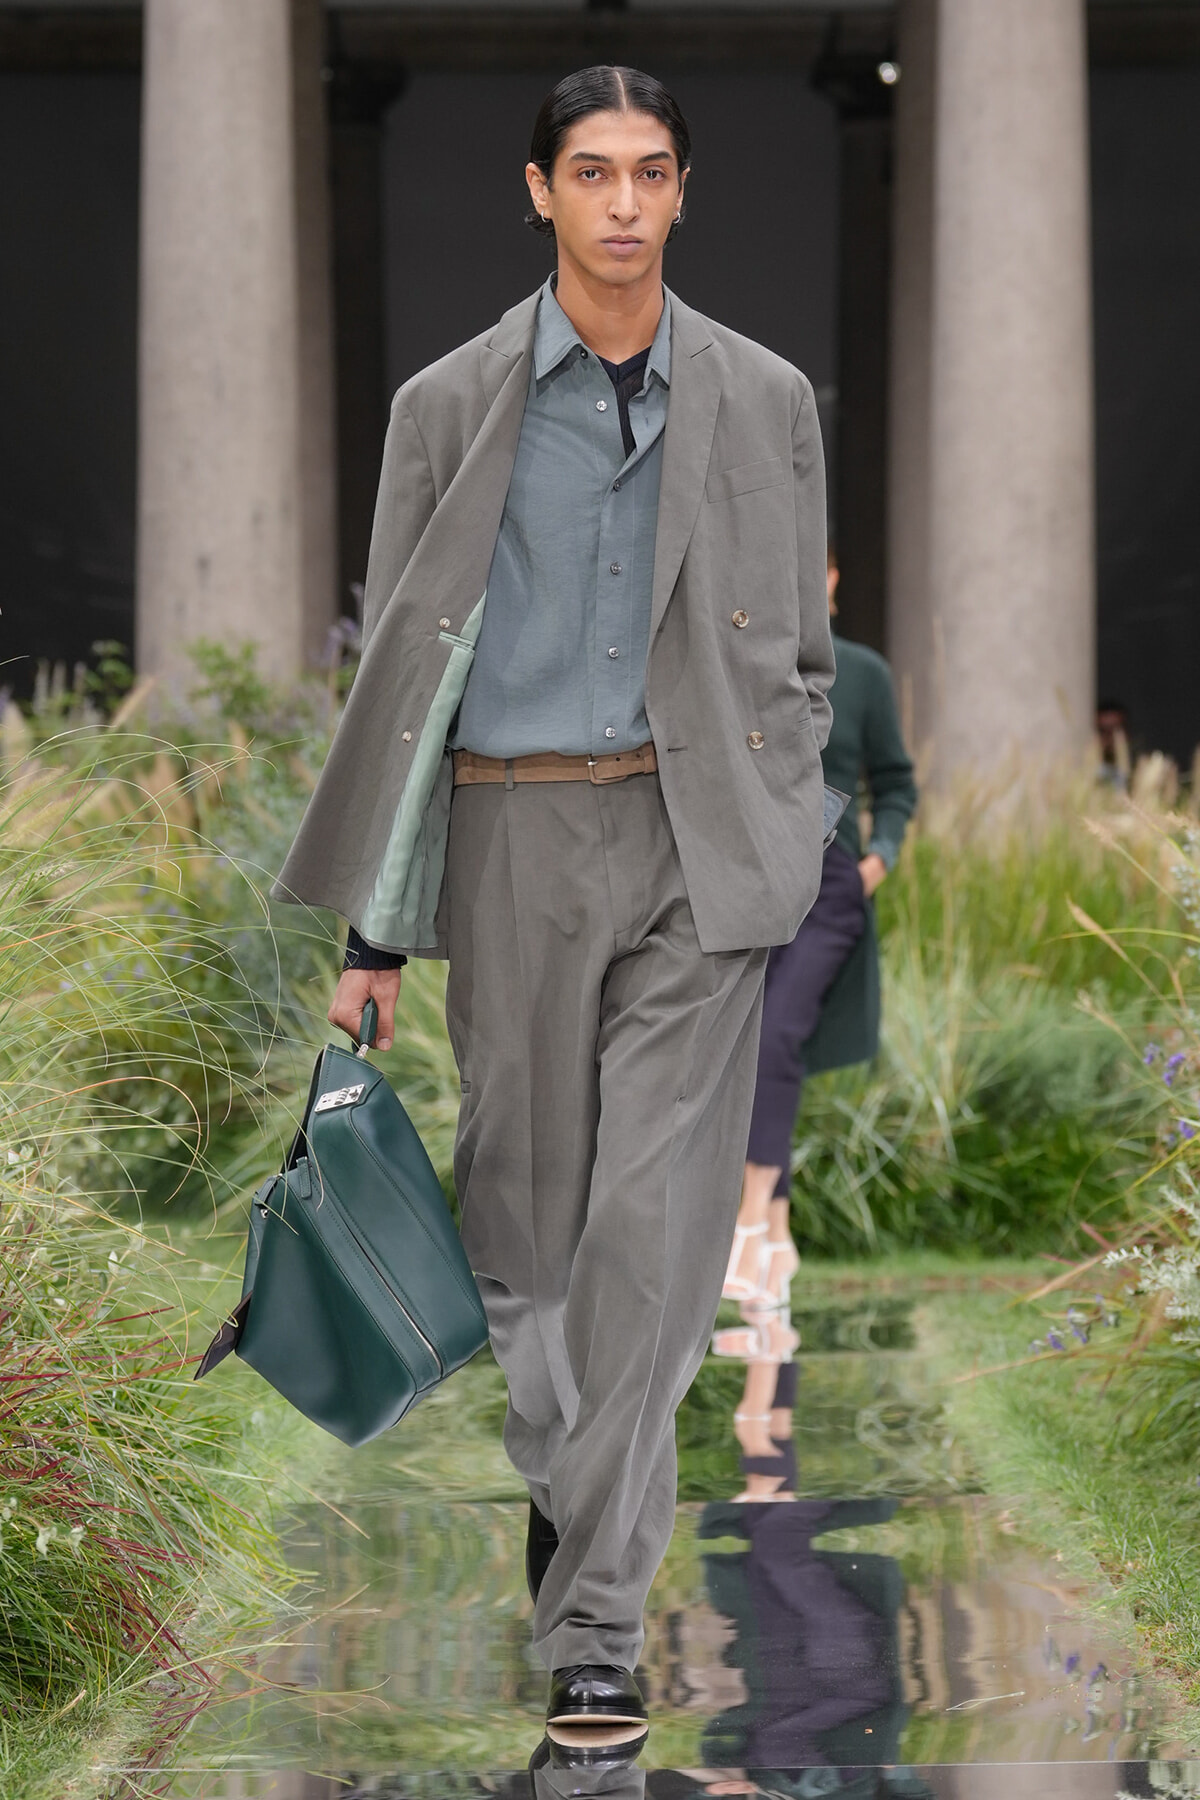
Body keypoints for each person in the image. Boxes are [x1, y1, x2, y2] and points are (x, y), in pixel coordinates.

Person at [273, 66, 834, 1742]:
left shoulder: (762, 395)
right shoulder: (449, 407)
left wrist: (786, 823)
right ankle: (589, 1497)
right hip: (510, 838)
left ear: (679, 193)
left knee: (650, 1245)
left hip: (691, 847)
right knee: (524, 1241)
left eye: (651, 174)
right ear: (538, 192)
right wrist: (377, 933)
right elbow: (400, 688)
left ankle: (595, 1624)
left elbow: (797, 661)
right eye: (590, 173)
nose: (622, 206)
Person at [723, 553, 917, 1311]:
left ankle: (747, 1226)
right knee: (760, 1047)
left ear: (835, 577)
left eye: (820, 565)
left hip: (834, 886)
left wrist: (880, 860)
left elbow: (897, 781)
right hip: (750, 882)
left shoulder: (865, 672)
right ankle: (776, 1229)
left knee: (775, 1036)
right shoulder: (748, 660)